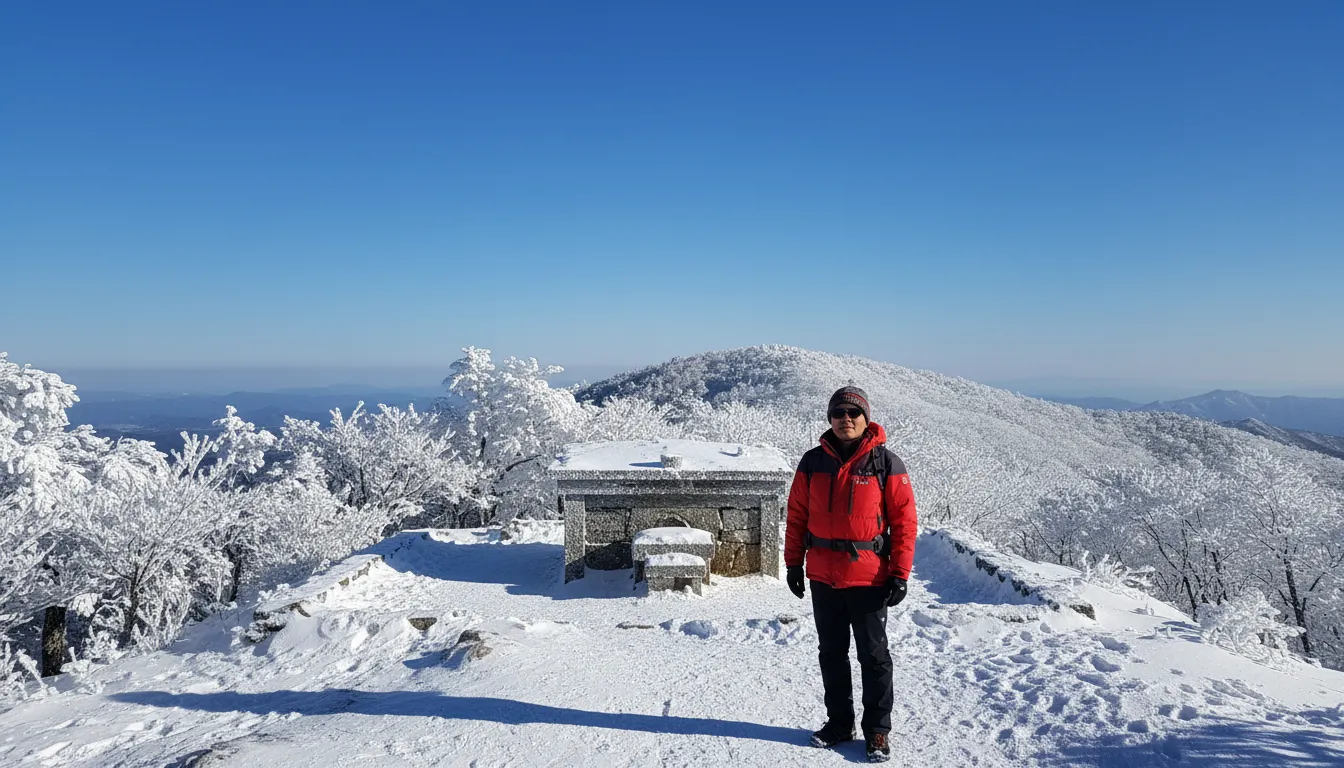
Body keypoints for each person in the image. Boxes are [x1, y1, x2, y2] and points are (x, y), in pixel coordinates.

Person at [784, 385, 918, 763]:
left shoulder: (885, 463)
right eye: (838, 413)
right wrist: (794, 563)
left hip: (869, 577)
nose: (846, 419)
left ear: (866, 419)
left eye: (853, 413)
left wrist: (900, 572)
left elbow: (905, 523)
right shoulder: (812, 462)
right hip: (823, 576)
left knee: (874, 657)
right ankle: (839, 723)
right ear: (829, 418)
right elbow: (796, 516)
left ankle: (877, 731)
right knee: (832, 654)